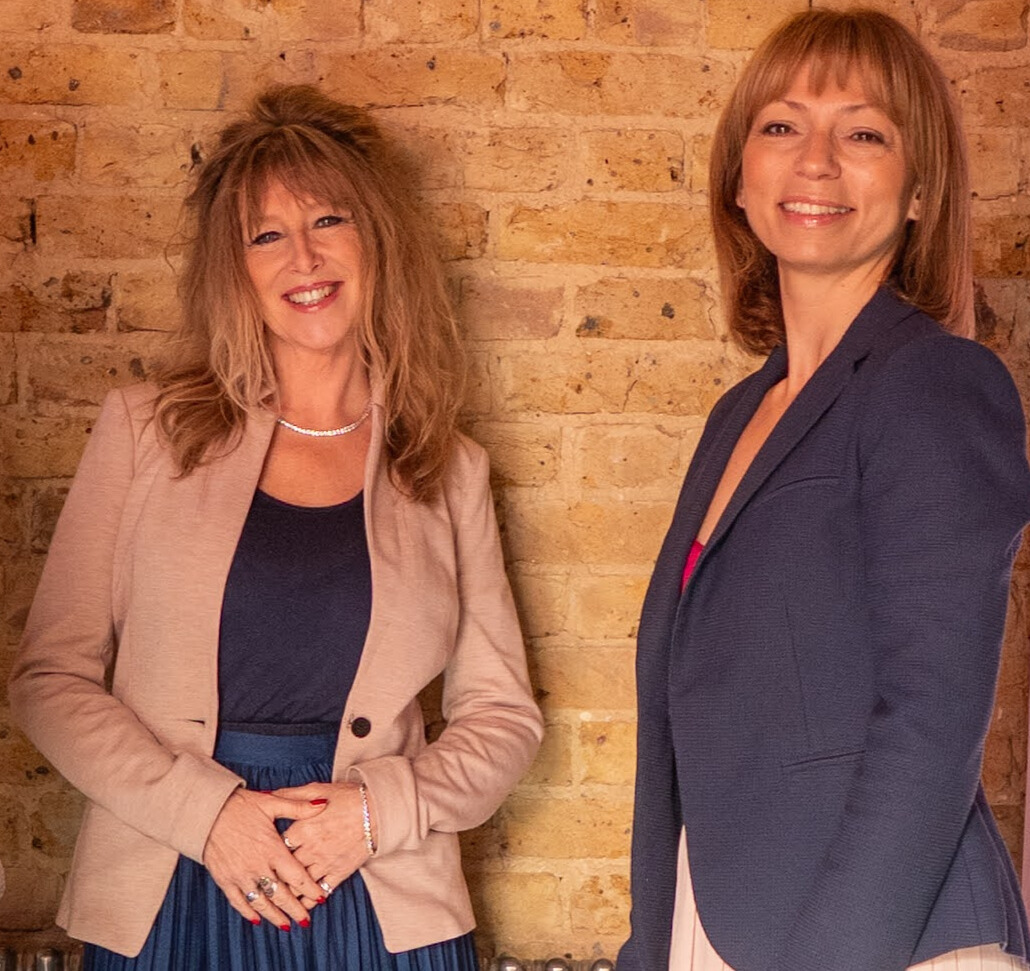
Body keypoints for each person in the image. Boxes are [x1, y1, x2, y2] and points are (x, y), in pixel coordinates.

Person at [8, 84, 543, 971]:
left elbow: (503, 718)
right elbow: (48, 680)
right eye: (267, 234)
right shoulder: (146, 431)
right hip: (176, 883)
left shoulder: (447, 468)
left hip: (378, 898)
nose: (304, 256)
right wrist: (207, 815)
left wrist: (379, 812)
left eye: (329, 220)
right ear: (236, 270)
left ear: (377, 242)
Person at [618, 9, 1030, 971]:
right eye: (781, 125)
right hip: (719, 921)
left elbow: (931, 724)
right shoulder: (737, 417)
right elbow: (678, 728)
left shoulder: (933, 383)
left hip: (880, 942)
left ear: (919, 188)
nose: (815, 160)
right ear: (738, 175)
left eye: (863, 132)